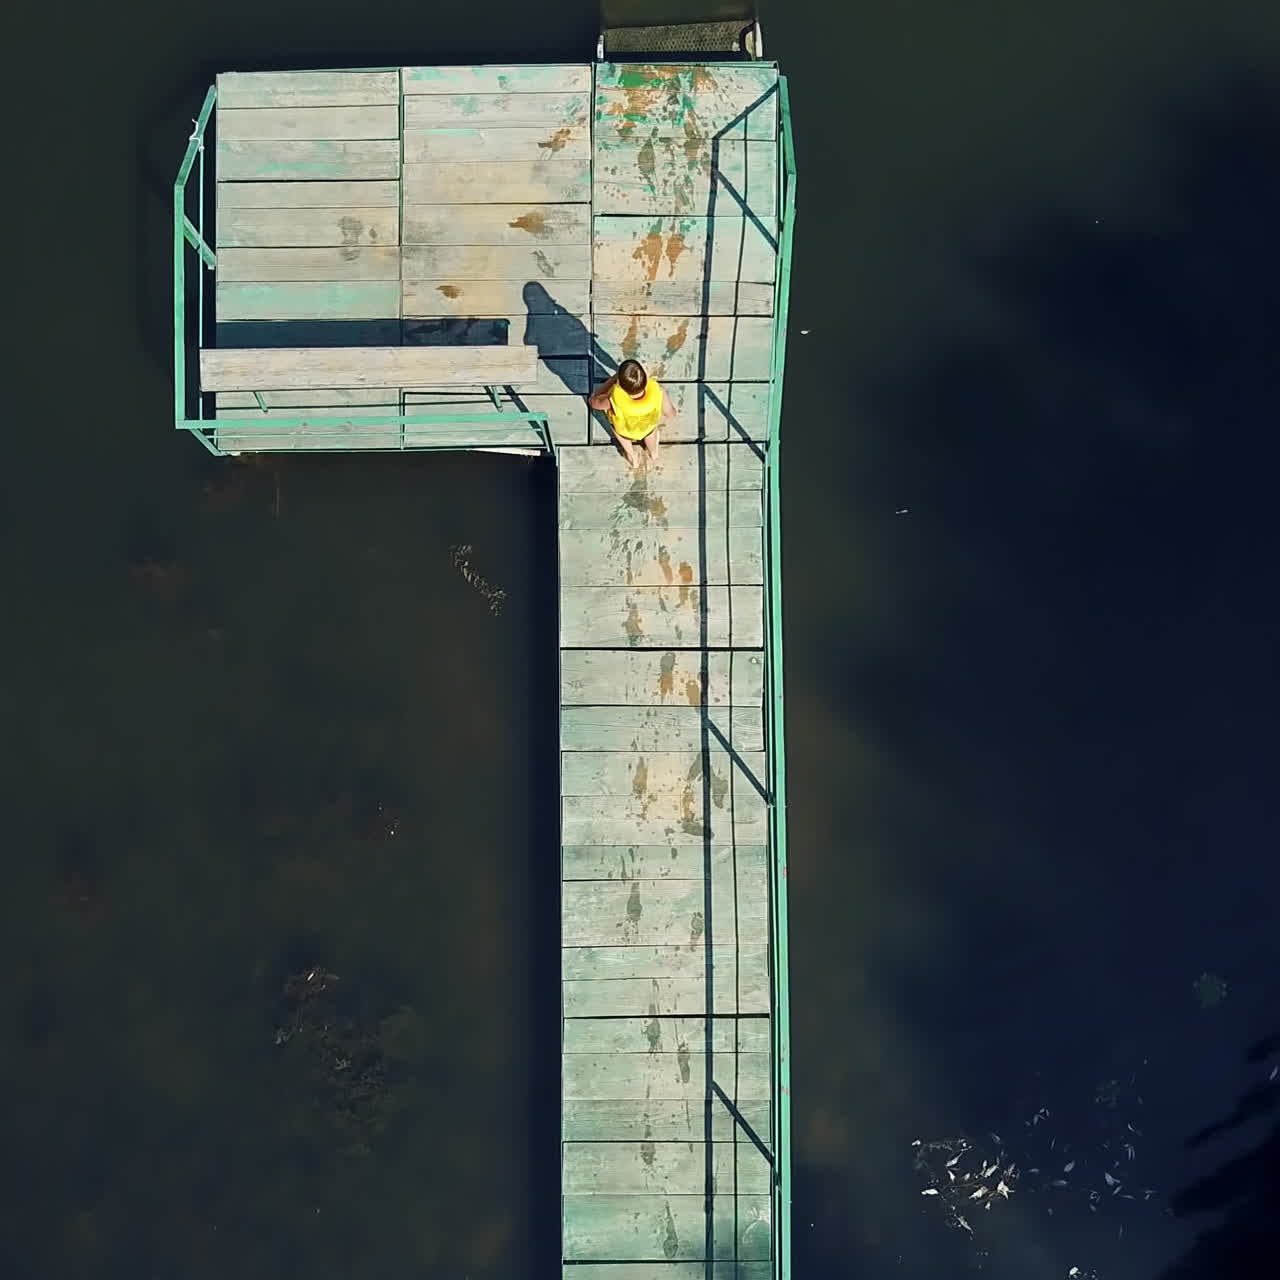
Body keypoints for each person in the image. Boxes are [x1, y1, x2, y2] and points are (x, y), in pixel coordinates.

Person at [587, 359, 677, 467]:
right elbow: (670, 412)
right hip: (648, 427)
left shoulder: (613, 400)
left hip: (625, 432)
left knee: (620, 434)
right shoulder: (658, 391)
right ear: (645, 380)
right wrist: (671, 414)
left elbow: (595, 403)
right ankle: (654, 453)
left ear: (619, 383)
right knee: (651, 434)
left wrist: (612, 380)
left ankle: (632, 457)